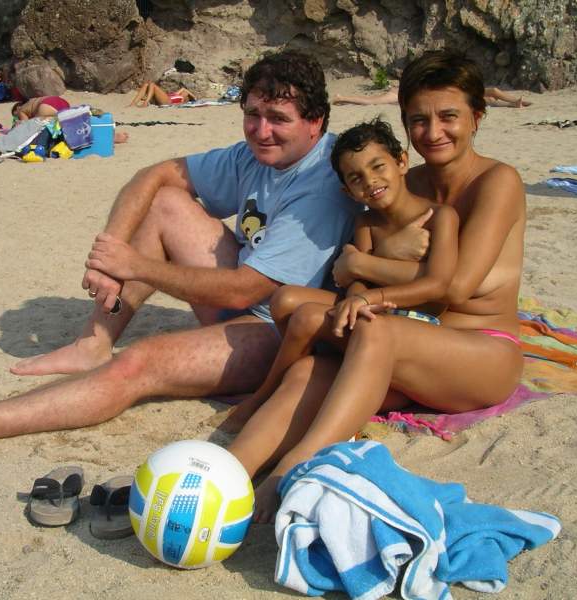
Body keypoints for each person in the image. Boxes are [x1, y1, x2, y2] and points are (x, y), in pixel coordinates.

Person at [0, 50, 360, 456]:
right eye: (252, 115)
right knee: (166, 201)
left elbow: (247, 290)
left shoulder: (320, 184)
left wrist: (137, 267)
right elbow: (155, 175)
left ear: (314, 123)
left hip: (282, 333)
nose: (260, 131)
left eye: (278, 119)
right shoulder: (257, 153)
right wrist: (110, 253)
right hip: (246, 297)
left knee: (139, 364)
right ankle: (93, 342)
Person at [225, 49, 527, 523]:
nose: (433, 132)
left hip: (478, 351)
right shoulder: (402, 180)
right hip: (408, 337)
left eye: (448, 117)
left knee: (373, 328)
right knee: (307, 368)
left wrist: (363, 265)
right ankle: (223, 475)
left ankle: (292, 469)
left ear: (477, 117)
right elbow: (355, 267)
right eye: (418, 120)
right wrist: (364, 271)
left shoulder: (497, 181)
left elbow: (455, 287)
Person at [217, 118, 459, 431]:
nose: (370, 181)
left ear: (401, 162)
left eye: (377, 166)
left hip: (414, 322)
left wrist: (367, 295)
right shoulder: (366, 223)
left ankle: (264, 396)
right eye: (356, 178)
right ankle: (294, 379)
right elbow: (355, 280)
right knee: (285, 298)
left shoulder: (439, 216)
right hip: (369, 309)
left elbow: (439, 284)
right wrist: (356, 297)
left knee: (306, 320)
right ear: (348, 191)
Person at [10, 96, 130, 144]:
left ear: (17, 108)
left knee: (57, 131)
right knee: (73, 123)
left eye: (15, 115)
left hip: (45, 107)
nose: (16, 117)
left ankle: (106, 138)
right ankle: (110, 135)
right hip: (59, 101)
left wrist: (17, 125)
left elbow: (25, 126)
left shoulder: (21, 110)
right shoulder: (33, 100)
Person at [333, 86, 531, 108]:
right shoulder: (396, 92)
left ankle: (514, 103)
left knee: (490, 96)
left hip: (401, 93)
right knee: (371, 101)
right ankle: (342, 97)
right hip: (398, 93)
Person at [128, 81, 196, 107]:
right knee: (146, 84)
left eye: (186, 94)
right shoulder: (178, 95)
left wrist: (193, 97)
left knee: (152, 84)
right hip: (165, 99)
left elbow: (186, 92)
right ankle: (133, 104)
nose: (184, 93)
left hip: (168, 101)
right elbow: (183, 89)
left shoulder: (182, 99)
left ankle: (145, 103)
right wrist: (185, 92)